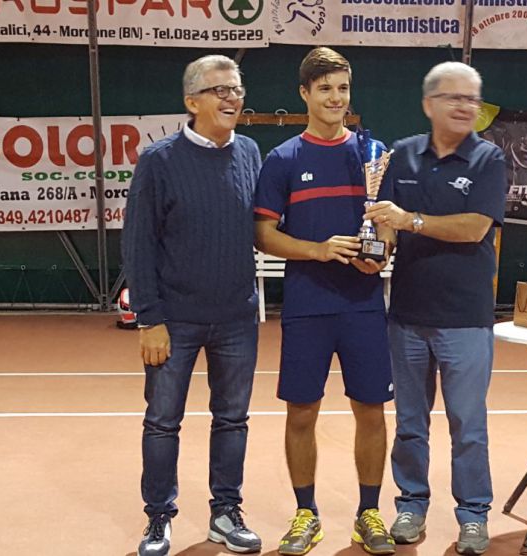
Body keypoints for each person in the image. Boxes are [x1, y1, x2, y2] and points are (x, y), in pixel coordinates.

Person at [253, 47, 397, 556]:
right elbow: (264, 235)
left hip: (362, 305)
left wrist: (378, 255)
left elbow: (384, 223)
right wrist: (316, 250)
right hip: (307, 304)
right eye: (325, 89)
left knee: (372, 411)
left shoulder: (373, 153)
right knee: (301, 413)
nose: (336, 98)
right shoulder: (283, 159)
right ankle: (306, 514)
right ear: (305, 94)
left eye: (342, 88)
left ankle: (369, 513)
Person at [363, 61, 507, 556]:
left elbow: (474, 229)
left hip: (466, 320)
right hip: (406, 317)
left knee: (468, 424)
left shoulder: (489, 159)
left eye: (474, 98)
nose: (467, 106)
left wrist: (411, 221)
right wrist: (373, 248)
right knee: (409, 422)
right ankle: (411, 504)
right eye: (456, 97)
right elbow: (386, 225)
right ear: (429, 104)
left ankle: (472, 515)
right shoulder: (401, 156)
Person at [122, 55, 263, 556]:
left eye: (237, 89)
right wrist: (150, 319)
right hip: (173, 322)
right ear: (191, 102)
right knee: (162, 422)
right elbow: (138, 245)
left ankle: (226, 513)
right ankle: (159, 518)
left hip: (237, 319)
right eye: (220, 89)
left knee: (233, 420)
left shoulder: (249, 152)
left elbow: (263, 227)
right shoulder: (158, 161)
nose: (232, 98)